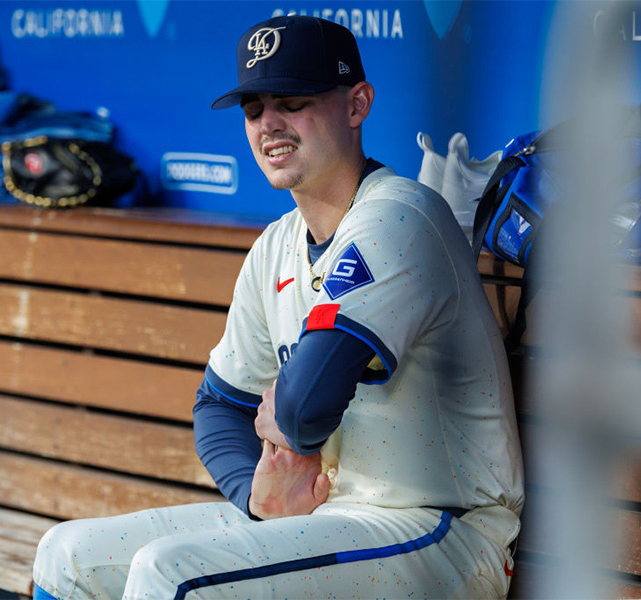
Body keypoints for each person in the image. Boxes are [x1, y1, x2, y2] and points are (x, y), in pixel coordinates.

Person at [33, 14, 524, 600]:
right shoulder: (275, 246)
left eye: (293, 101)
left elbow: (303, 405)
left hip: (441, 530)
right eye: (254, 108)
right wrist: (259, 499)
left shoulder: (401, 215)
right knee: (65, 555)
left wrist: (286, 425)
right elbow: (218, 406)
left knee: (173, 577)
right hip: (328, 518)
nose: (270, 123)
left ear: (357, 104)